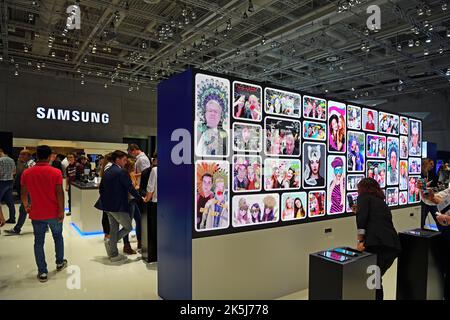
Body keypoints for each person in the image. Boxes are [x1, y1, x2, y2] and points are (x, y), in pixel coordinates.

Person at [21, 145, 67, 282]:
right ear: (49, 157)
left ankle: (42, 272)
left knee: (38, 242)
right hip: (54, 212)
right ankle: (59, 262)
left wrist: (26, 206)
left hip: (36, 213)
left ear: (36, 156)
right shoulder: (55, 172)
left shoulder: (27, 173)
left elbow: (23, 193)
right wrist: (61, 210)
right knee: (58, 237)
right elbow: (60, 193)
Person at [352, 178, 401, 300]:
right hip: (392, 245)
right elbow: (376, 219)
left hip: (377, 245)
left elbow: (361, 221)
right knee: (376, 279)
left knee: (373, 282)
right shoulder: (380, 201)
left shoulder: (363, 197)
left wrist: (360, 241)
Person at [94, 150, 143, 262]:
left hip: (107, 206)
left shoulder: (107, 170)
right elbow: (130, 188)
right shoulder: (121, 172)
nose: (126, 162)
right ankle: (111, 243)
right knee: (128, 227)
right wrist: (140, 198)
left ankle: (114, 255)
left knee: (114, 228)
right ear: (118, 159)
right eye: (124, 160)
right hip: (117, 206)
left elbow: (101, 188)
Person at [4, 150, 36, 235]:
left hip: (29, 190)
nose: (19, 156)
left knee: (24, 209)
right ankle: (44, 226)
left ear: (27, 155)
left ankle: (17, 229)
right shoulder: (22, 163)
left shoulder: (31, 164)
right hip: (25, 189)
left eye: (22, 154)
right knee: (29, 208)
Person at [122, 159, 142, 255]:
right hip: (129, 201)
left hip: (133, 201)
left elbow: (136, 185)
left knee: (139, 220)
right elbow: (130, 189)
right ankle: (126, 245)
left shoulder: (132, 174)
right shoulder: (125, 176)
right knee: (127, 225)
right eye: (133, 166)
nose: (135, 167)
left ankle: (140, 242)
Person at [144, 153, 158, 262]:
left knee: (155, 230)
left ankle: (155, 255)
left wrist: (146, 199)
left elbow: (150, 188)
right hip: (171, 206)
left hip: (156, 204)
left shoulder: (155, 170)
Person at [420, 158, 439, 228]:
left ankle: (443, 233)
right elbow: (423, 187)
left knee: (437, 216)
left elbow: (436, 182)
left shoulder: (431, 173)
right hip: (424, 200)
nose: (433, 165)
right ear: (426, 164)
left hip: (431, 199)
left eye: (433, 164)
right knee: (422, 219)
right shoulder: (421, 173)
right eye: (431, 164)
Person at [0, 147, 16, 224]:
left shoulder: (0, 160)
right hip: (10, 182)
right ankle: (12, 218)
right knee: (10, 202)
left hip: (2, 182)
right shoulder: (11, 160)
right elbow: (14, 171)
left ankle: (1, 219)